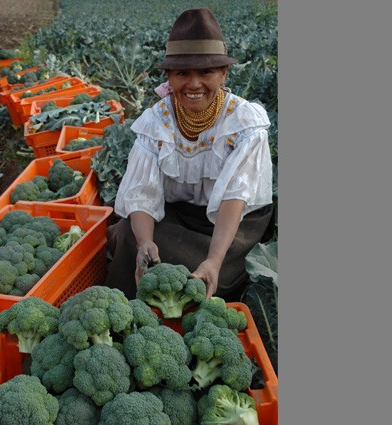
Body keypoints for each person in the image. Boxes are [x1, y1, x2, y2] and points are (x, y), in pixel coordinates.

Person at [104, 8, 274, 301]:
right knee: (128, 236)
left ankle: (207, 277)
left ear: (224, 74)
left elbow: (235, 195)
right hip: (181, 214)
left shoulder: (245, 124)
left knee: (198, 266)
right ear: (169, 76)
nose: (194, 84)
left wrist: (214, 260)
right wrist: (145, 241)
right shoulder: (157, 122)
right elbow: (143, 194)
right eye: (182, 73)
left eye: (206, 72)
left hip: (234, 222)